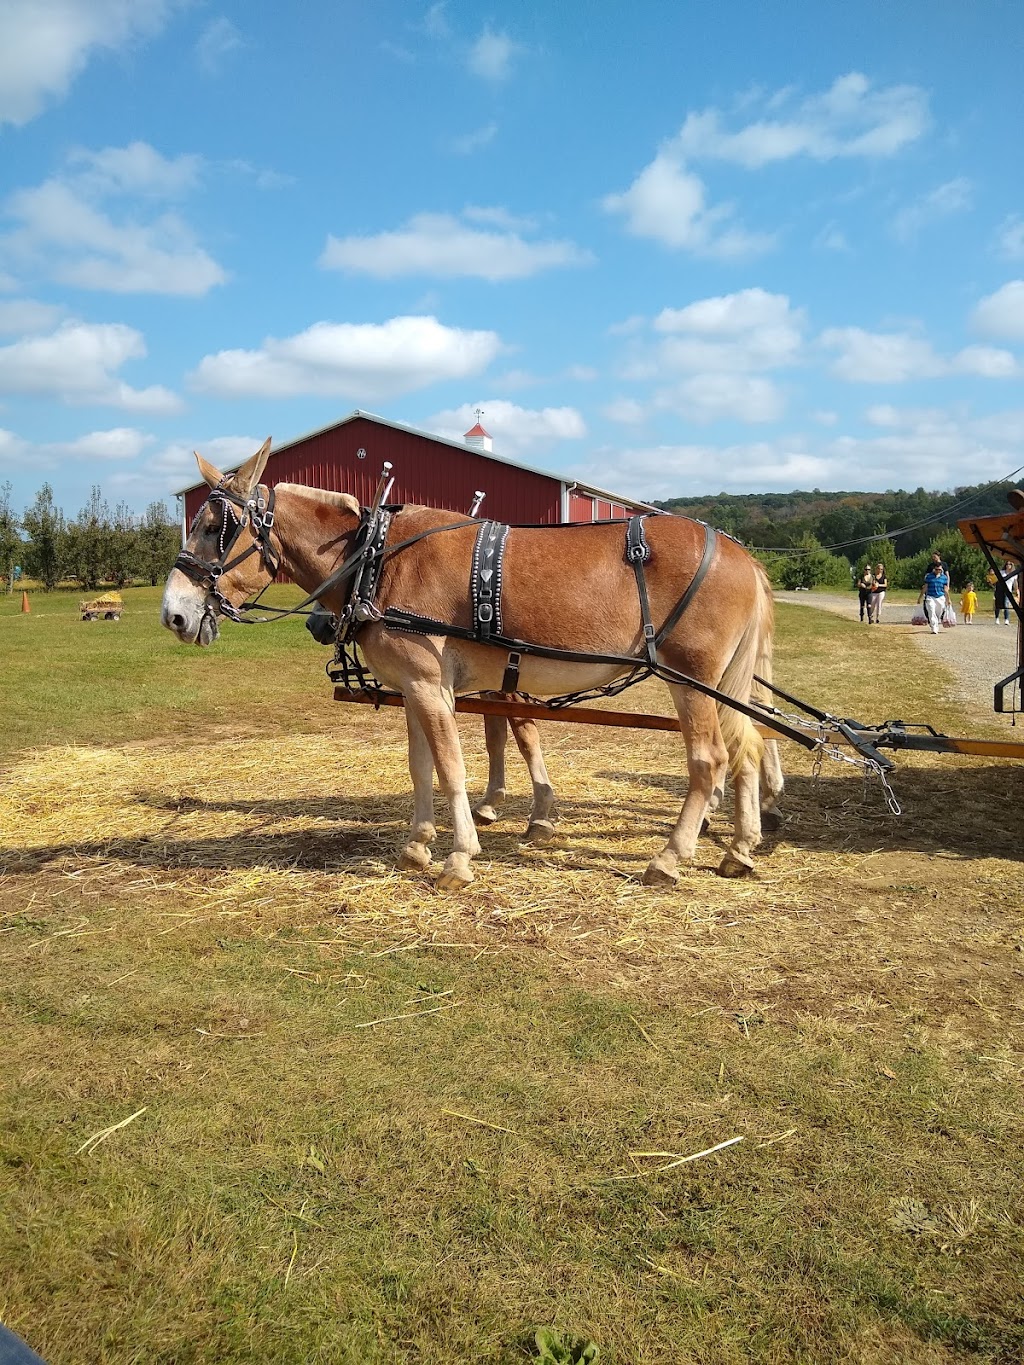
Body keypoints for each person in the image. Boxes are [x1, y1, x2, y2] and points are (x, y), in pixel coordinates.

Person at [917, 554, 949, 635]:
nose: (938, 571)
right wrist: (920, 597)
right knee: (931, 611)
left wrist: (948, 599)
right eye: (937, 569)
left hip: (940, 597)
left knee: (939, 611)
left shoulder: (944, 578)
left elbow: (945, 590)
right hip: (930, 596)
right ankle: (934, 628)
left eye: (939, 570)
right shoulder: (929, 577)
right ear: (934, 569)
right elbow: (925, 587)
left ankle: (936, 622)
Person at [994, 557, 1017, 624]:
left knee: (1006, 605)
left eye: (1009, 564)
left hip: (1008, 591)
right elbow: (997, 581)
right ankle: (997, 618)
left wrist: (1016, 590)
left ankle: (1007, 619)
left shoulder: (1014, 574)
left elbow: (1015, 583)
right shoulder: (1002, 572)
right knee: (998, 604)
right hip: (1000, 590)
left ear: (1012, 565)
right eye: (1007, 564)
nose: (1008, 565)